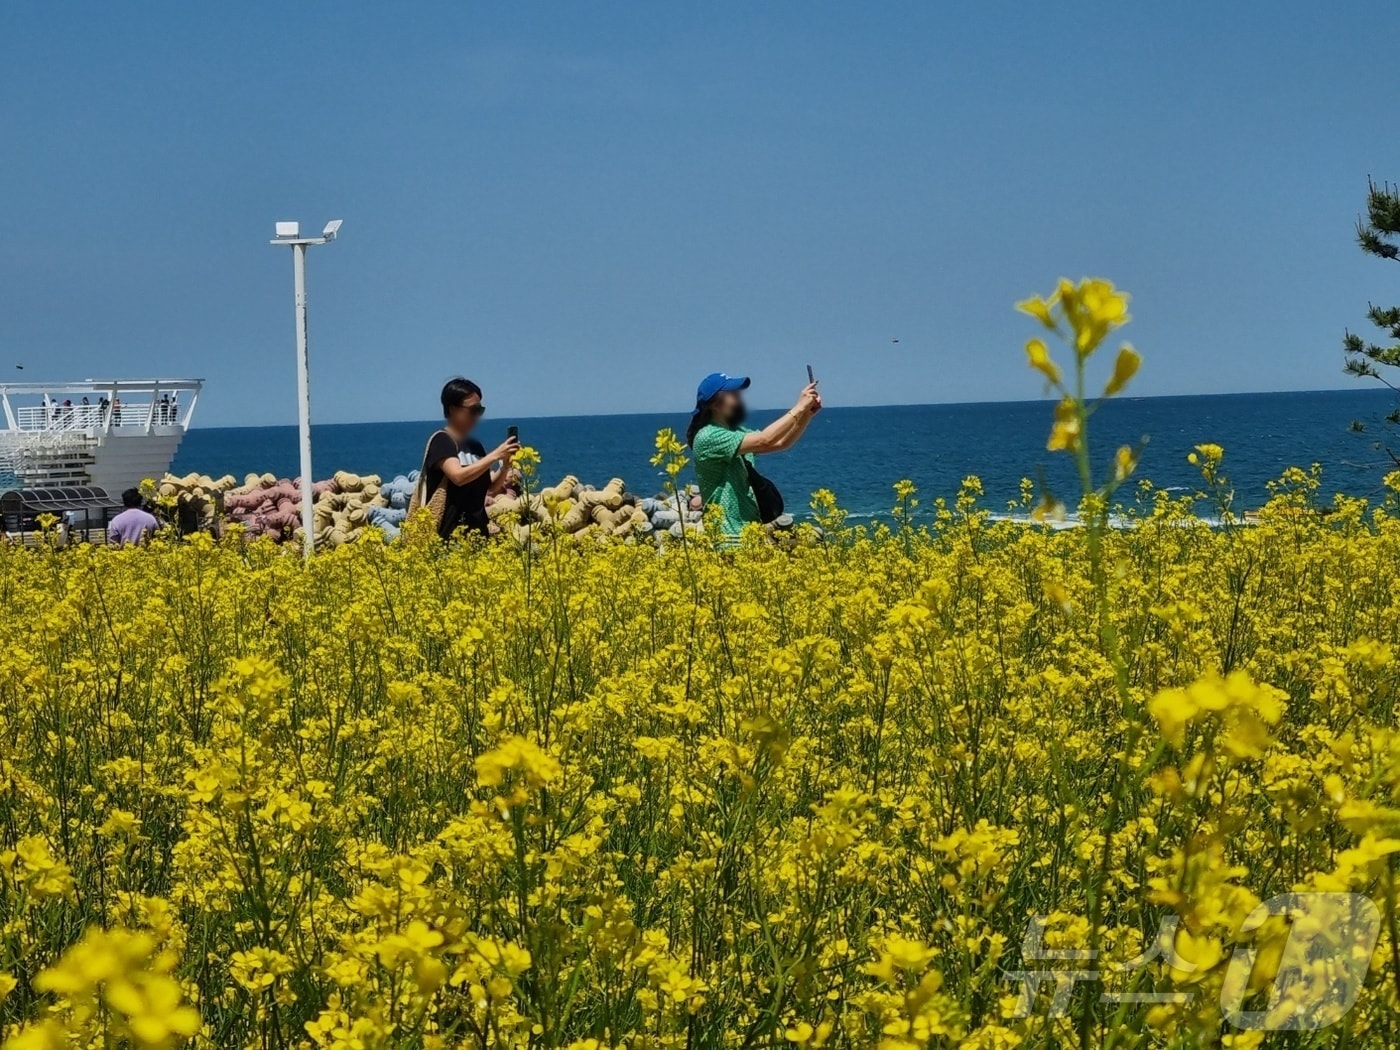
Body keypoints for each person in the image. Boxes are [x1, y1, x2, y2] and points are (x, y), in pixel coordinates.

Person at [686, 372, 821, 544]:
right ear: (714, 403)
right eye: (733, 395)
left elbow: (779, 443)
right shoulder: (708, 436)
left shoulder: (734, 432)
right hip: (729, 538)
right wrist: (799, 407)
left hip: (750, 535)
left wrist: (806, 415)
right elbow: (765, 439)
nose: (739, 400)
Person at [420, 377, 519, 539]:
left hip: (477, 533)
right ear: (453, 410)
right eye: (473, 410)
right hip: (447, 536)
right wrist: (495, 455)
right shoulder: (442, 441)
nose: (477, 416)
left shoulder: (475, 446)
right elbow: (458, 477)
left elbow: (491, 488)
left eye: (480, 411)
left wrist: (505, 464)